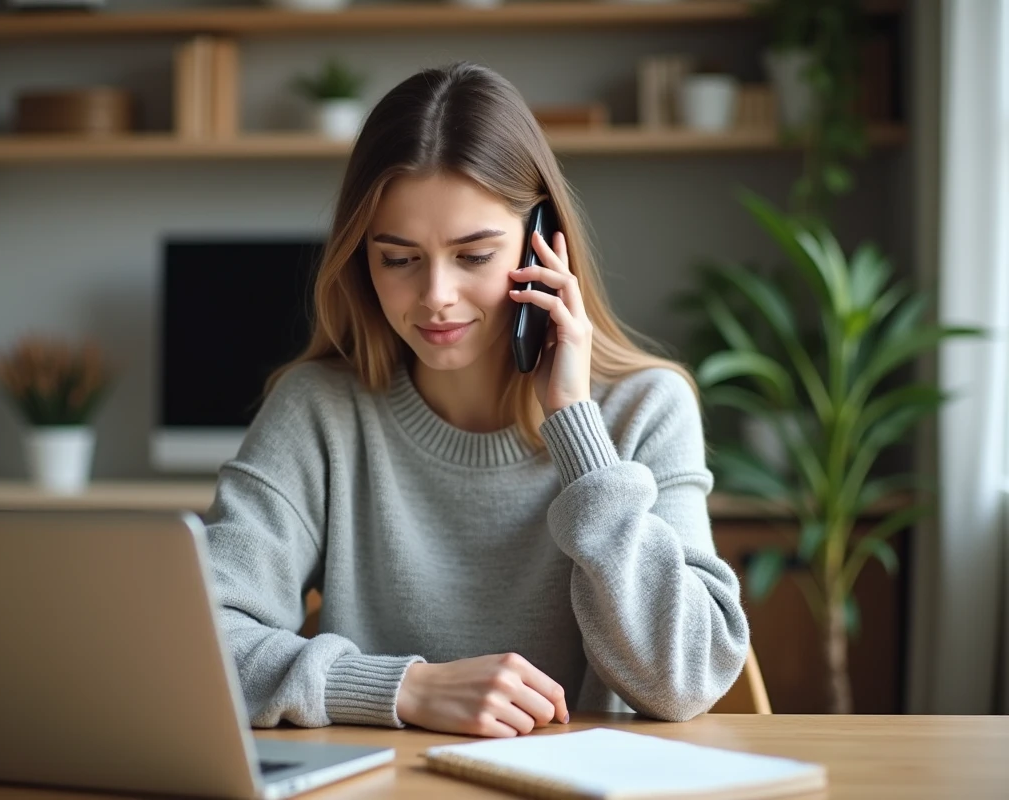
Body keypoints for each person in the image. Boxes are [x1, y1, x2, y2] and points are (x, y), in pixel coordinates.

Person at [204, 61, 750, 739]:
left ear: (542, 245)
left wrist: (575, 425)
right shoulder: (317, 410)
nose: (436, 296)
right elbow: (201, 641)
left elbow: (684, 679)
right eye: (398, 258)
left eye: (474, 256)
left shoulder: (647, 408)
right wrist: (403, 688)